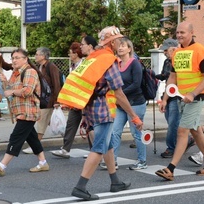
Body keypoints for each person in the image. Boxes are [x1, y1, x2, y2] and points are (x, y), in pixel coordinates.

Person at [70, 26, 143, 201]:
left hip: (90, 106)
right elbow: (119, 92)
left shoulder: (92, 58)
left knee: (108, 145)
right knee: (99, 147)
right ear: (112, 42)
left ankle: (115, 181)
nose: (120, 42)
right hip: (104, 108)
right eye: (118, 40)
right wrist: (134, 116)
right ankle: (80, 186)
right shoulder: (108, 60)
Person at [155, 21, 204, 181]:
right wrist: (165, 99)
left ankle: (171, 168)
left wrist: (193, 94)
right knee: (195, 131)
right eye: (178, 33)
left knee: (182, 131)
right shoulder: (176, 52)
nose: (179, 35)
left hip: (195, 98)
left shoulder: (201, 51)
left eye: (182, 32)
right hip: (181, 98)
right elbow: (173, 77)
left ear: (191, 32)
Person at [0, 48, 50, 175]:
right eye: (13, 58)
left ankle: (2, 166)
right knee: (32, 138)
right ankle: (43, 162)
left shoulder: (30, 72)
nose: (14, 60)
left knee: (16, 137)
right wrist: (5, 81)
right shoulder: (16, 73)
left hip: (28, 111)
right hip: (21, 111)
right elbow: (9, 89)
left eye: (17, 58)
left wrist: (12, 91)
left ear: (25, 59)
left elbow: (27, 91)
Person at [110, 37, 147, 170]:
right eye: (119, 46)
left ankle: (142, 161)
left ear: (129, 49)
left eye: (123, 46)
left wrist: (120, 93)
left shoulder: (134, 63)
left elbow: (136, 84)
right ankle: (112, 161)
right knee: (115, 132)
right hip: (120, 104)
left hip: (135, 103)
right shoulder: (116, 64)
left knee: (136, 133)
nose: (120, 48)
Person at [157, 38, 195, 158]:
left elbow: (177, 77)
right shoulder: (167, 62)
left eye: (166, 50)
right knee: (171, 121)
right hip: (168, 94)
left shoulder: (179, 59)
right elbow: (166, 76)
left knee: (173, 122)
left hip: (178, 95)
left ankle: (171, 147)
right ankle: (186, 140)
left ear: (173, 49)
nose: (164, 53)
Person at [22, 47, 62, 154]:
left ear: (43, 56)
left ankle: (35, 146)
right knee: (48, 122)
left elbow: (56, 83)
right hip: (43, 100)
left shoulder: (51, 66)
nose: (35, 56)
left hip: (49, 101)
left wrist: (57, 101)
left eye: (37, 54)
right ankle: (67, 139)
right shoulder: (40, 67)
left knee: (40, 123)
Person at [52, 42, 85, 158]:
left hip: (84, 101)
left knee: (88, 126)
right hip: (74, 101)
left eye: (70, 52)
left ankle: (95, 151)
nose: (69, 55)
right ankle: (65, 149)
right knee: (71, 124)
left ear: (76, 53)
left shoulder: (84, 65)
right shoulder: (73, 66)